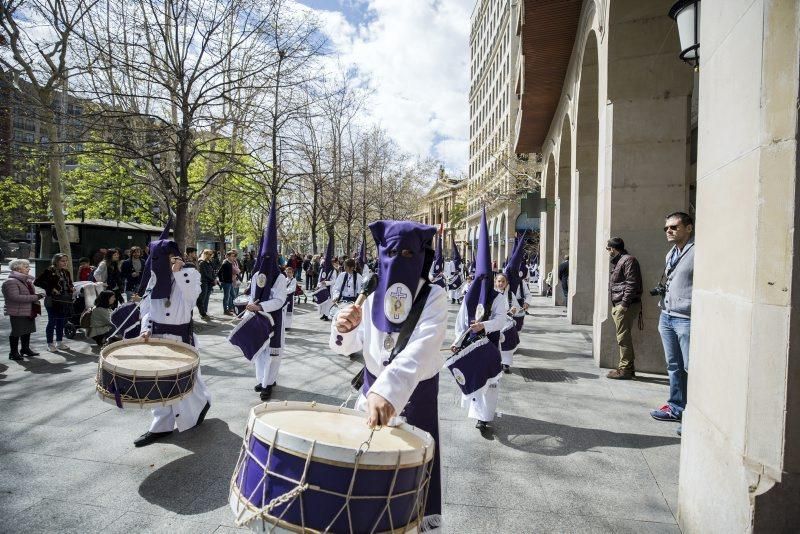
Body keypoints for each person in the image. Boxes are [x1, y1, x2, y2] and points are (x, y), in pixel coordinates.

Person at [331, 220, 447, 531]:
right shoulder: (369, 298)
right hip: (368, 400)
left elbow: (420, 350)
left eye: (408, 253)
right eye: (392, 251)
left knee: (408, 490)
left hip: (414, 402)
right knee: (363, 485)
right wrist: (343, 326)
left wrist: (389, 390)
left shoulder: (434, 297)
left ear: (422, 256)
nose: (398, 259)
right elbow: (349, 346)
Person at [134, 239, 211, 447]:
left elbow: (193, 296)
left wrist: (179, 270)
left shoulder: (190, 274)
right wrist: (145, 329)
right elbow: (146, 309)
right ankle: (160, 426)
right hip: (158, 340)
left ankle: (201, 403)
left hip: (180, 339)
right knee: (158, 383)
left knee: (187, 382)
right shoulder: (154, 279)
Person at [452, 209, 508, 432]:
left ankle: (486, 416)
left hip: (490, 344)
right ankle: (478, 414)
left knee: (491, 381)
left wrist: (483, 325)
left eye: (487, 278)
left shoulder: (498, 297)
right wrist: (457, 341)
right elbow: (461, 323)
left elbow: (501, 320)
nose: (483, 282)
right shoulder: (469, 298)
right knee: (475, 378)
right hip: (470, 345)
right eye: (480, 278)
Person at [650, 212, 695, 436]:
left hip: (686, 318)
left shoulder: (697, 251)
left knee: (690, 368)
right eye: (666, 228)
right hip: (667, 314)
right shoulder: (672, 253)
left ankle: (693, 416)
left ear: (688, 228)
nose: (669, 231)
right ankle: (676, 407)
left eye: (674, 227)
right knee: (674, 365)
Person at [242, 203, 287, 401]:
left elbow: (279, 300)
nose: (265, 261)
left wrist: (261, 306)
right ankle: (262, 379)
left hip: (273, 319)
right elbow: (253, 295)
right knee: (259, 351)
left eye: (269, 258)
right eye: (263, 258)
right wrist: (249, 308)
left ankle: (268, 383)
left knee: (272, 353)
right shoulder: (255, 276)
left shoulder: (280, 278)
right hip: (257, 318)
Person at [605, 237, 644, 380]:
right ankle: (627, 368)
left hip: (625, 305)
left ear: (613, 248)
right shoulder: (621, 261)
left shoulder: (628, 260)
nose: (608, 252)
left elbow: (631, 283)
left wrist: (624, 305)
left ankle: (625, 369)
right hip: (620, 304)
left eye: (608, 249)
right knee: (623, 338)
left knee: (623, 339)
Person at [3, 259, 43, 361]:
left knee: (27, 330)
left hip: (28, 310)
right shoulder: (11, 282)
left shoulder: (26, 280)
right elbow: (15, 297)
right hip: (17, 311)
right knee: (17, 332)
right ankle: (13, 353)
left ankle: (25, 349)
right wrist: (36, 297)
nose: (29, 268)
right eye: (26, 267)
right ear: (18, 269)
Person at [34, 253, 74, 352]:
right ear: (56, 261)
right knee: (52, 321)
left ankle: (59, 342)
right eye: (62, 261)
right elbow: (37, 282)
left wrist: (71, 288)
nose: (65, 263)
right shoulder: (49, 271)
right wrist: (51, 288)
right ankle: (50, 343)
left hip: (64, 300)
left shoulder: (66, 272)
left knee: (61, 321)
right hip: (52, 300)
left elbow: (69, 283)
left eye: (66, 260)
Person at [218, 250, 239, 315]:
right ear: (228, 256)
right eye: (232, 256)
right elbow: (219, 273)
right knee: (226, 297)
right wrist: (222, 281)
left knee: (234, 295)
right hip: (226, 283)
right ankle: (225, 310)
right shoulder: (225, 263)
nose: (233, 257)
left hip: (230, 282)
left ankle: (234, 308)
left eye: (233, 256)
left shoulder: (230, 263)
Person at [196, 249, 216, 319]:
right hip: (204, 282)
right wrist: (213, 279)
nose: (211, 256)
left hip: (209, 283)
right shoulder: (201, 262)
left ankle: (205, 312)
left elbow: (212, 271)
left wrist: (215, 279)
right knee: (202, 299)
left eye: (212, 254)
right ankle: (202, 313)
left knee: (206, 299)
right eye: (210, 254)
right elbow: (204, 274)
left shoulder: (209, 262)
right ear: (205, 254)